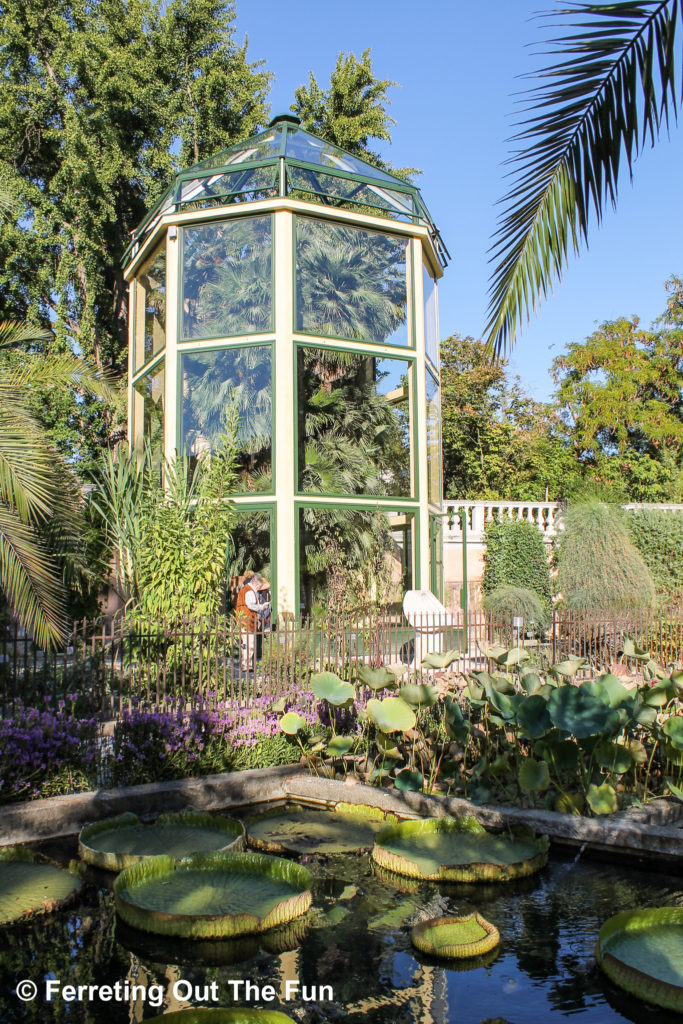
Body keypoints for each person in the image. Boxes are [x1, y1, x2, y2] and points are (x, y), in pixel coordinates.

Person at [235, 572, 271, 672]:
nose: (259, 589)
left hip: (243, 619)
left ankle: (245, 663)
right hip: (248, 620)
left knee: (245, 643)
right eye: (259, 587)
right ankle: (246, 665)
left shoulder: (245, 589)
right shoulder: (250, 591)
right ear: (256, 584)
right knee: (249, 643)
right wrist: (262, 607)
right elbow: (250, 605)